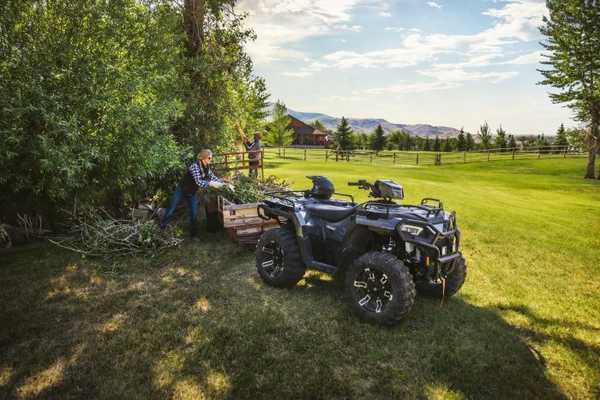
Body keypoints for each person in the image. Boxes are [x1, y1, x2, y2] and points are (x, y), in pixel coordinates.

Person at [160, 149, 225, 237]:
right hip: (182, 189)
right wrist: (210, 183)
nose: (211, 160)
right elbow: (198, 182)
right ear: (204, 158)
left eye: (211, 158)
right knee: (172, 207)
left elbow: (212, 177)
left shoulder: (206, 167)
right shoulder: (195, 166)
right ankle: (163, 226)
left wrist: (222, 183)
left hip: (192, 192)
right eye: (209, 158)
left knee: (194, 213)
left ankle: (193, 235)